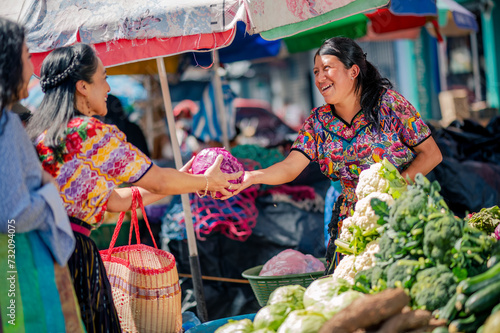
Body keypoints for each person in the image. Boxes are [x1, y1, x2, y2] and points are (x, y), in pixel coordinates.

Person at [26, 43, 242, 332]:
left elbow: (117, 200)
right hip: (72, 253)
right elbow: (158, 179)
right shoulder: (87, 132)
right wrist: (206, 182)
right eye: (103, 77)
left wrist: (182, 181)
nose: (108, 86)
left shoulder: (44, 136)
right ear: (82, 87)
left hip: (36, 251)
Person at [233, 37, 443, 275]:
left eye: (327, 68)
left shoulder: (390, 104)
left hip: (403, 211)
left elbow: (431, 154)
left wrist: (390, 191)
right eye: (316, 71)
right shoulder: (318, 121)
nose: (320, 78)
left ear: (353, 71)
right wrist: (252, 176)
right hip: (352, 224)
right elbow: (290, 167)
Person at [0, 17, 84, 332]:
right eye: (25, 56)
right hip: (19, 263)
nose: (31, 65)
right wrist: (49, 194)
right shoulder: (6, 124)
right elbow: (13, 215)